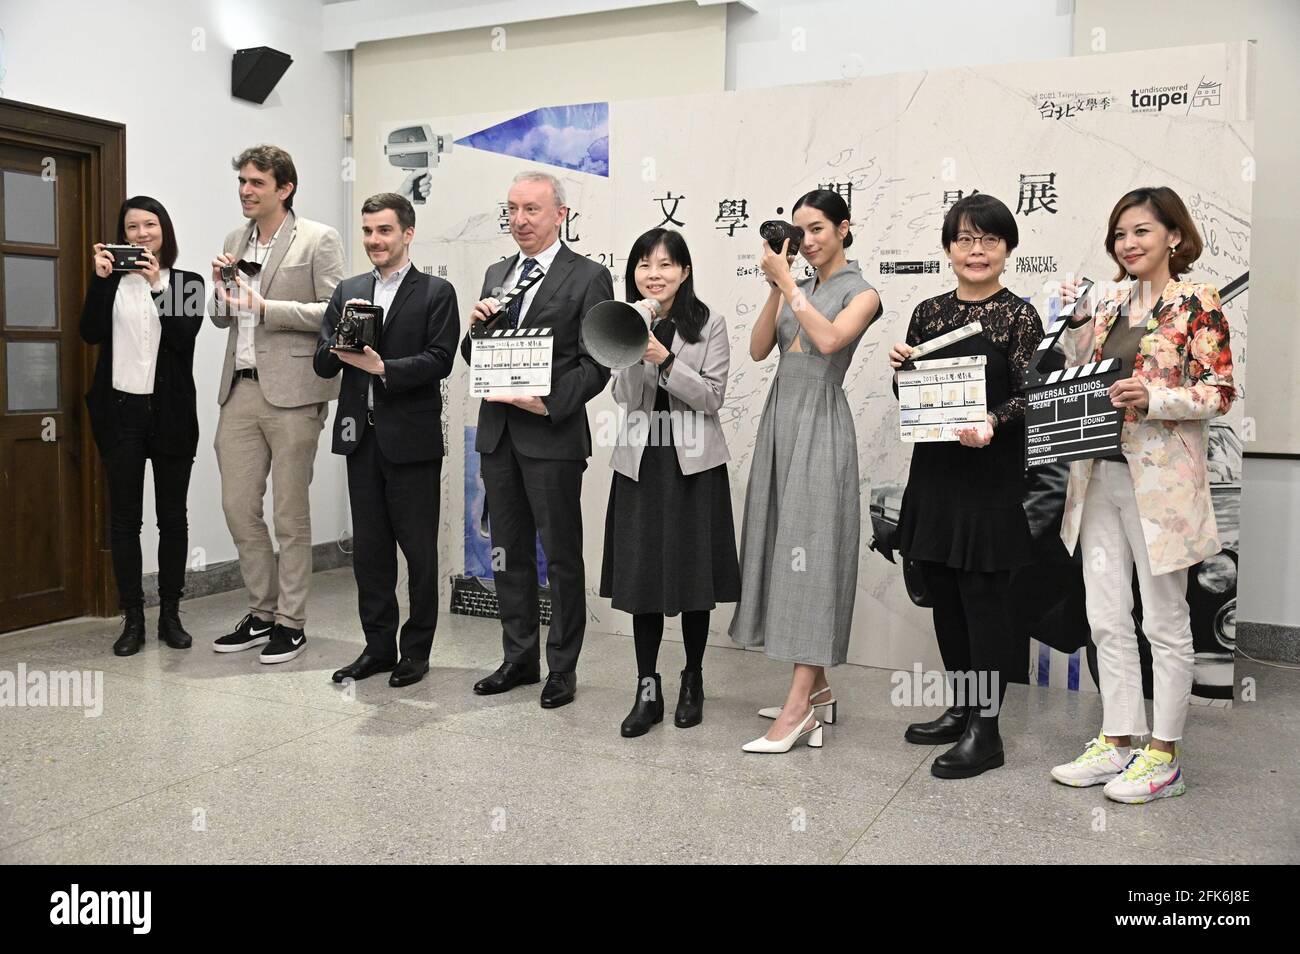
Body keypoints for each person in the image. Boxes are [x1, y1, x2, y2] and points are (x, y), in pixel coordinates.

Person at [1050, 186, 1235, 803]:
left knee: (1164, 619)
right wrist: (1073, 323)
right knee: (1105, 616)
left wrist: (1155, 400)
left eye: (1142, 233)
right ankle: (1118, 739)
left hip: (1162, 487)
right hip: (1096, 474)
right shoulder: (1105, 304)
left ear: (1173, 237)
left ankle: (1165, 755)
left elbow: (1219, 393)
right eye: (1120, 235)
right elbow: (1073, 369)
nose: (1129, 245)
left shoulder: (1197, 302)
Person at [887, 193, 1044, 779]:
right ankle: (960, 707)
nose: (976, 250)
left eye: (990, 239)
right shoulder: (927, 313)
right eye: (964, 239)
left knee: (983, 602)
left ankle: (988, 728)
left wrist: (992, 423)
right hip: (935, 474)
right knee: (945, 596)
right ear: (949, 249)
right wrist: (903, 374)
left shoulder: (1019, 316)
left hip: (989, 477)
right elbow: (912, 398)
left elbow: (1030, 396)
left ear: (1007, 249)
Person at [730, 188, 882, 753]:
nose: (807, 241)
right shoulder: (804, 285)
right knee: (778, 544)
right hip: (779, 420)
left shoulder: (861, 291)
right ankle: (817, 693)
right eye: (800, 231)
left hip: (821, 422)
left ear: (844, 228)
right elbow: (757, 348)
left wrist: (790, 284)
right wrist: (779, 285)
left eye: (817, 229)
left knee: (810, 556)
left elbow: (830, 339)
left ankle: (798, 711)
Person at [460, 171, 614, 709]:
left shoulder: (588, 276)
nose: (519, 220)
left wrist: (550, 403)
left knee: (562, 556)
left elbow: (599, 363)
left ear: (560, 214)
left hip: (552, 435)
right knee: (507, 553)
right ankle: (518, 657)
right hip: (499, 436)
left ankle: (563, 667)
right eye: (512, 210)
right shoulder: (497, 273)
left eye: (531, 210)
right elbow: (475, 357)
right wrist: (475, 329)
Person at [314, 193, 459, 688]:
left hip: (412, 442)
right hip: (360, 440)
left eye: (385, 231)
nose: (375, 241)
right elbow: (321, 361)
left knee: (418, 553)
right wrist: (339, 344)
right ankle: (377, 647)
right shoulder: (349, 290)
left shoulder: (436, 292)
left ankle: (415, 653)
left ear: (408, 233)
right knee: (370, 552)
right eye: (369, 232)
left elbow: (442, 359)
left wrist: (384, 367)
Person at [600, 228, 740, 737]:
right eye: (643, 265)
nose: (652, 275)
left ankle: (693, 678)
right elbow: (624, 396)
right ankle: (646, 687)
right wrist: (635, 347)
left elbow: (711, 397)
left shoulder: (711, 325)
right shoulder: (626, 319)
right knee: (642, 579)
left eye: (664, 265)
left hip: (692, 467)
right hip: (641, 461)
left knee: (692, 577)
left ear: (684, 271)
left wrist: (667, 359)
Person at [208, 145, 345, 664]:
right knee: (239, 509)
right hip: (239, 389)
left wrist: (267, 307)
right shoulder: (232, 239)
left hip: (294, 393)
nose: (245, 190)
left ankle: (291, 621)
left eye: (256, 183)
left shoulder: (318, 238)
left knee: (290, 514)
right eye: (242, 181)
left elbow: (335, 312)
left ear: (283, 188)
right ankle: (260, 612)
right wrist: (224, 290)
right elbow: (223, 319)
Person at [80, 197, 204, 656]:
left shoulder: (186, 283)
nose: (141, 234)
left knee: (172, 518)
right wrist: (99, 281)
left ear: (164, 231)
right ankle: (132, 617)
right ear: (121, 235)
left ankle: (170, 613)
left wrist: (156, 286)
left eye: (149, 225)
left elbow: (182, 337)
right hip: (121, 411)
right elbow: (89, 333)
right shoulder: (109, 284)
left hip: (171, 413)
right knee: (126, 519)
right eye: (131, 227)